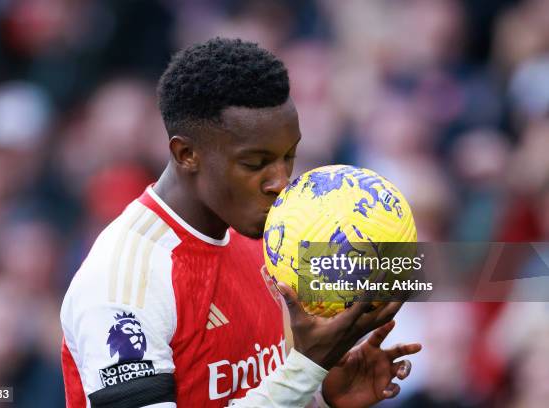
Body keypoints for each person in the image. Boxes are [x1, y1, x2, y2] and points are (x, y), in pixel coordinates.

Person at [60, 38, 422, 408]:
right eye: (255, 163)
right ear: (186, 154)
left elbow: (266, 390)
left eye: (288, 156)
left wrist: (322, 396)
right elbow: (288, 381)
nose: (281, 182)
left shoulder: (272, 237)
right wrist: (304, 371)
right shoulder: (124, 281)